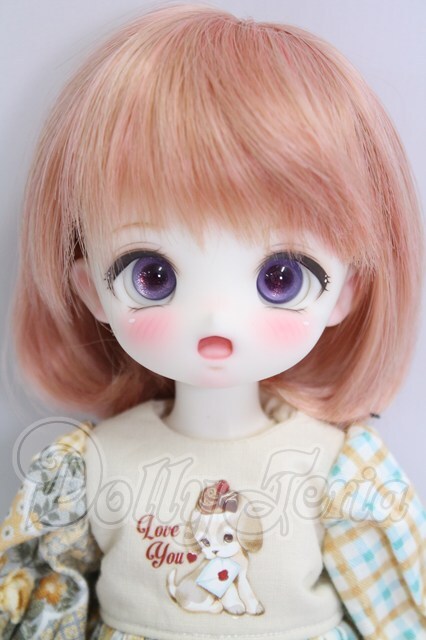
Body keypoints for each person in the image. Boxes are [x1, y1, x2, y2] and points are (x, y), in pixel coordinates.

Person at [0, 5, 424, 639]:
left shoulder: (338, 468)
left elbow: (394, 612)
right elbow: (45, 607)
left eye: (280, 278)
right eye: (152, 276)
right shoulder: (90, 466)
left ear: (345, 294)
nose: (217, 319)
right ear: (91, 292)